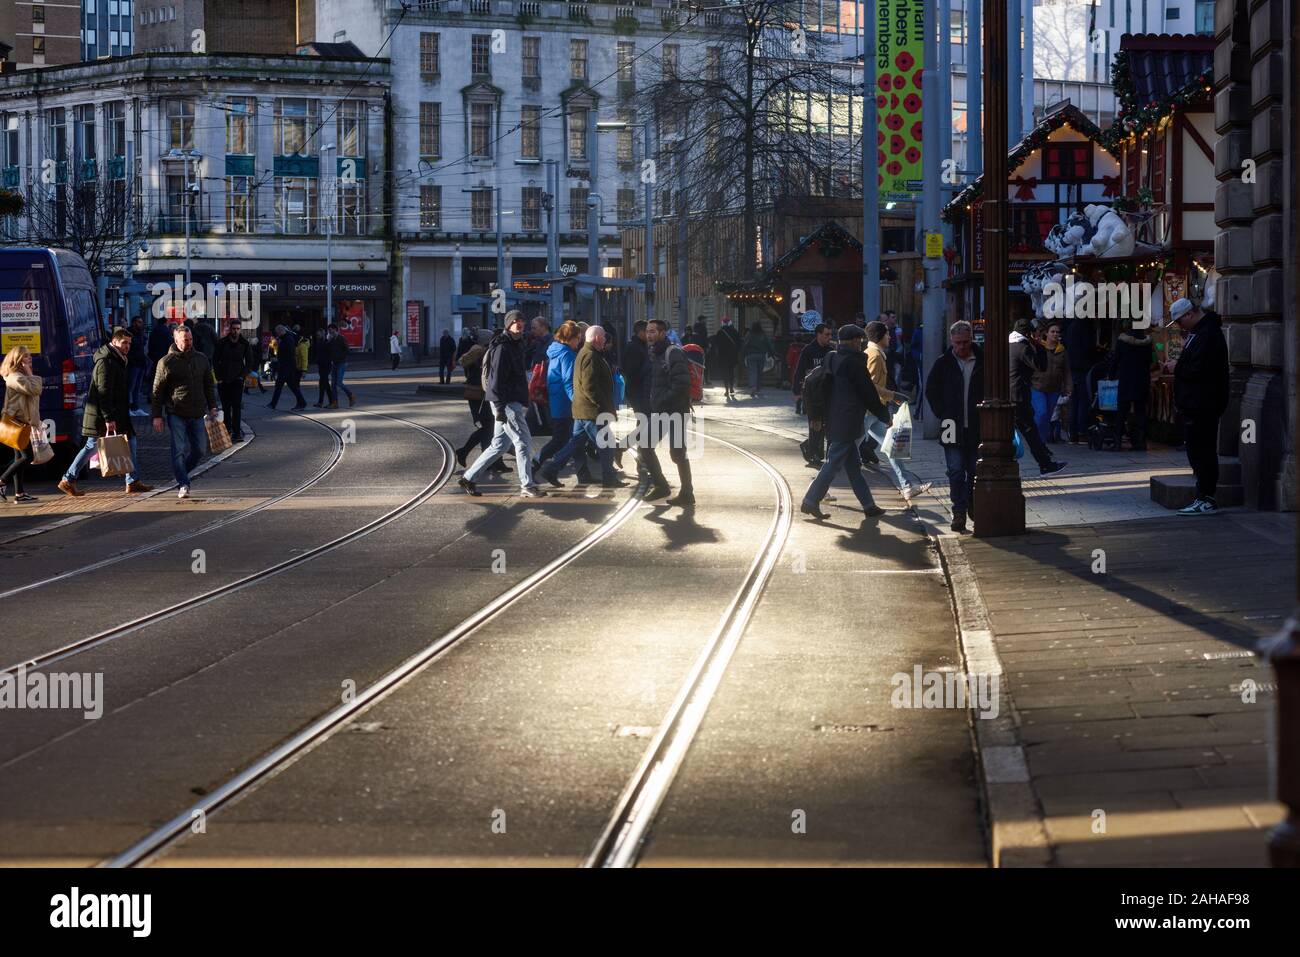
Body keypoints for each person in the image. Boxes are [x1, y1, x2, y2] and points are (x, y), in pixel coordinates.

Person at [800, 324, 890, 520]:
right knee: (832, 464)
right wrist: (885, 416)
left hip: (835, 417)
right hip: (848, 421)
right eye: (860, 340)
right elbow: (868, 394)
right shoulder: (855, 363)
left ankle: (868, 505)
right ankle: (810, 500)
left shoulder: (832, 357)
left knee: (853, 466)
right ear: (856, 341)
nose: (862, 344)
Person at [457, 311, 546, 498]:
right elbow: (496, 382)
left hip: (510, 402)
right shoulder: (502, 348)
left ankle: (468, 477)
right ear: (508, 325)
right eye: (515, 322)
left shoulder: (516, 345)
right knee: (522, 442)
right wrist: (499, 408)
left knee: (498, 445)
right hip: (506, 403)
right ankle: (527, 485)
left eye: (522, 321)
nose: (519, 324)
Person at [59, 327, 153, 497]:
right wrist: (108, 417)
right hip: (103, 416)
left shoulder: (117, 359)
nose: (127, 346)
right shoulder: (106, 362)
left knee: (130, 442)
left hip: (116, 413)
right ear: (114, 342)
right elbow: (103, 391)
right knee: (91, 446)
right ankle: (68, 479)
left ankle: (132, 481)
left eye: (129, 343)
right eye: (124, 343)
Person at [540, 325, 624, 489]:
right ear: (598, 338)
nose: (606, 340)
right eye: (604, 338)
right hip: (591, 411)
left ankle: (551, 469)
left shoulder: (586, 353)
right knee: (606, 445)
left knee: (575, 443)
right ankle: (609, 478)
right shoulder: (590, 356)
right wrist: (602, 406)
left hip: (582, 409)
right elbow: (589, 386)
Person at [1168, 297, 1229, 515]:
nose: (1178, 326)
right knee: (1197, 450)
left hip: (1203, 403)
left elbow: (1200, 369)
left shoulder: (1208, 334)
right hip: (1196, 402)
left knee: (1202, 451)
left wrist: (1177, 366)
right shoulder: (1200, 333)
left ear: (1189, 315)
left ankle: (1206, 497)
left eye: (1179, 321)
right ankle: (1203, 495)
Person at [925, 321, 982, 533]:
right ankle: (959, 511)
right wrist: (942, 412)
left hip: (976, 425)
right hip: (951, 424)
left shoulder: (982, 359)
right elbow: (931, 390)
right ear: (951, 341)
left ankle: (972, 505)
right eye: (958, 343)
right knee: (956, 471)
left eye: (965, 342)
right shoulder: (944, 362)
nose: (962, 347)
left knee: (975, 469)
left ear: (971, 339)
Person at [865, 321, 931, 501]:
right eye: (887, 334)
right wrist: (892, 394)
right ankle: (819, 488)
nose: (890, 337)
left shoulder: (877, 353)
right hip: (867, 412)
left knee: (891, 447)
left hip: (873, 412)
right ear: (879, 337)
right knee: (843, 454)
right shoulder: (874, 355)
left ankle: (907, 486)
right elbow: (868, 386)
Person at [151, 323, 218, 499]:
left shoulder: (201, 358)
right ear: (175, 340)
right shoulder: (166, 362)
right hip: (176, 412)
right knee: (178, 450)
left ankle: (181, 473)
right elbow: (157, 391)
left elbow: (208, 385)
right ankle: (183, 483)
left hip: (197, 412)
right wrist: (157, 415)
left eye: (190, 340)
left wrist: (213, 405)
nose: (187, 343)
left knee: (200, 450)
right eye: (184, 340)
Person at [640, 318, 694, 506]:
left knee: (678, 453)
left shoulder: (673, 352)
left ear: (663, 333)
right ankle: (661, 486)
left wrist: (662, 400)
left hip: (675, 411)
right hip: (662, 410)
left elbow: (682, 383)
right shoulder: (656, 353)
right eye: (648, 331)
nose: (649, 335)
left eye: (653, 331)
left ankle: (687, 493)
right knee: (645, 446)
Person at [533, 321, 592, 481]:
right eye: (578, 338)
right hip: (566, 403)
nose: (579, 341)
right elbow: (568, 381)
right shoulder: (567, 354)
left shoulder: (555, 350)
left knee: (574, 438)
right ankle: (536, 463)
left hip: (556, 400)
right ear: (570, 337)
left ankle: (583, 473)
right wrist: (576, 401)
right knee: (564, 439)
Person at [1009, 317, 1067, 476]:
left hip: (1011, 396)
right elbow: (1040, 366)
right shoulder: (1022, 347)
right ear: (1029, 333)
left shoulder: (1010, 345)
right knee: (1030, 432)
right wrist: (1040, 346)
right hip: (1018, 397)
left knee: (1025, 432)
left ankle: (1045, 460)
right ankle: (1045, 464)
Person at [454, 338, 504, 472]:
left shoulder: (474, 354)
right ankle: (466, 452)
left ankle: (491, 461)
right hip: (481, 395)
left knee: (489, 428)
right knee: (489, 427)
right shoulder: (483, 354)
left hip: (476, 395)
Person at [0, 346, 43, 503]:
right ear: (17, 360)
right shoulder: (15, 377)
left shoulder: (20, 375)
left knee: (19, 457)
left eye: (30, 356)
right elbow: (35, 389)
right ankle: (2, 480)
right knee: (27, 456)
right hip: (17, 422)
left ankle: (19, 493)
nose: (29, 359)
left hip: (21, 421)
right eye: (25, 357)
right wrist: (31, 373)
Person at [1109, 322, 1155, 451]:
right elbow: (1150, 361)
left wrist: (1111, 375)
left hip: (1126, 379)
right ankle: (1141, 442)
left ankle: (1117, 442)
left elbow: (1115, 360)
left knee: (1121, 411)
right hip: (1142, 380)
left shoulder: (1122, 341)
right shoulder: (1147, 342)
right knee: (1141, 412)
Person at [792, 322, 833, 466]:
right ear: (819, 334)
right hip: (812, 393)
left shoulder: (831, 351)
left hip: (828, 393)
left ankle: (813, 449)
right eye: (827, 334)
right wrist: (796, 392)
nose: (830, 337)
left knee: (827, 425)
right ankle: (814, 454)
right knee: (816, 424)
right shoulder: (808, 350)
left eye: (830, 334)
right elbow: (799, 370)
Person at [1030, 320, 1071, 445]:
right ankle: (1037, 441)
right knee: (1041, 413)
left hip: (1054, 389)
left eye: (1057, 332)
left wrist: (1068, 386)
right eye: (1052, 331)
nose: (1055, 334)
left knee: (1047, 417)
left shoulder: (1062, 351)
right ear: (1046, 334)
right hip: (1038, 386)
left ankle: (1041, 444)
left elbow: (1066, 370)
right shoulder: (1039, 348)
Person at [213, 321, 255, 442]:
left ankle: (236, 432)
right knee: (226, 407)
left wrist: (242, 376)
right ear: (230, 329)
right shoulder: (222, 343)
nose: (235, 331)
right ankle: (227, 430)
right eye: (233, 328)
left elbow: (249, 362)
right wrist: (219, 377)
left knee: (236, 406)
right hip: (224, 379)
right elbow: (215, 361)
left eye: (238, 329)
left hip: (237, 379)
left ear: (240, 330)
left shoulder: (244, 344)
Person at [1064, 313, 1096, 443]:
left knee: (1074, 401)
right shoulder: (1085, 327)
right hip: (1083, 368)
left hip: (1073, 367)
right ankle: (1082, 431)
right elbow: (1089, 347)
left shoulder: (1071, 326)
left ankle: (1073, 433)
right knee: (1083, 400)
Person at [268, 324, 307, 410]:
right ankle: (302, 402)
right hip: (286, 366)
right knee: (292, 386)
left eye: (277, 332)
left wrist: (282, 362)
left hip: (286, 366)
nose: (276, 334)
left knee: (279, 385)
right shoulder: (285, 338)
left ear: (281, 331)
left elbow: (290, 353)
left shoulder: (288, 339)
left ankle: (273, 404)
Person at [708, 315, 741, 399]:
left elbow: (716, 344)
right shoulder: (734, 331)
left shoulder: (720, 332)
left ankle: (726, 389)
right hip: (732, 355)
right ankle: (731, 388)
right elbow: (738, 343)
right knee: (731, 371)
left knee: (724, 372)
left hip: (723, 356)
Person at [741, 322, 777, 397]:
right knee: (759, 372)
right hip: (761, 355)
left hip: (751, 355)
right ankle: (758, 387)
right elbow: (769, 344)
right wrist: (772, 353)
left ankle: (753, 386)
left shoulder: (749, 334)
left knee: (752, 371)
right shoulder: (763, 334)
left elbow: (745, 344)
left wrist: (743, 354)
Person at [327, 324, 356, 408]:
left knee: (338, 382)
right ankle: (335, 403)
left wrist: (340, 358)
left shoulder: (341, 338)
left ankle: (351, 395)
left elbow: (347, 350)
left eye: (330, 330)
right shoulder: (332, 340)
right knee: (333, 384)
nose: (329, 331)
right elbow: (329, 350)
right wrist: (328, 341)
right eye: (328, 330)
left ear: (335, 330)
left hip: (341, 363)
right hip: (334, 363)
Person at [127, 316, 149, 414]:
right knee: (130, 386)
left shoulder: (141, 333)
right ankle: (127, 408)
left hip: (140, 362)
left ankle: (135, 407)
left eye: (141, 322)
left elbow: (143, 344)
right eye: (139, 322)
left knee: (137, 387)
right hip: (133, 363)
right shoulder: (129, 333)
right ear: (134, 323)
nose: (141, 324)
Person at [311, 328, 335, 408]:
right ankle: (329, 401)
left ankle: (325, 402)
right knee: (324, 384)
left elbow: (330, 353)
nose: (317, 336)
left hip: (326, 365)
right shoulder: (318, 342)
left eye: (318, 335)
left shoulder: (327, 342)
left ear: (323, 334)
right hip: (321, 365)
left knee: (323, 383)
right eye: (317, 335)